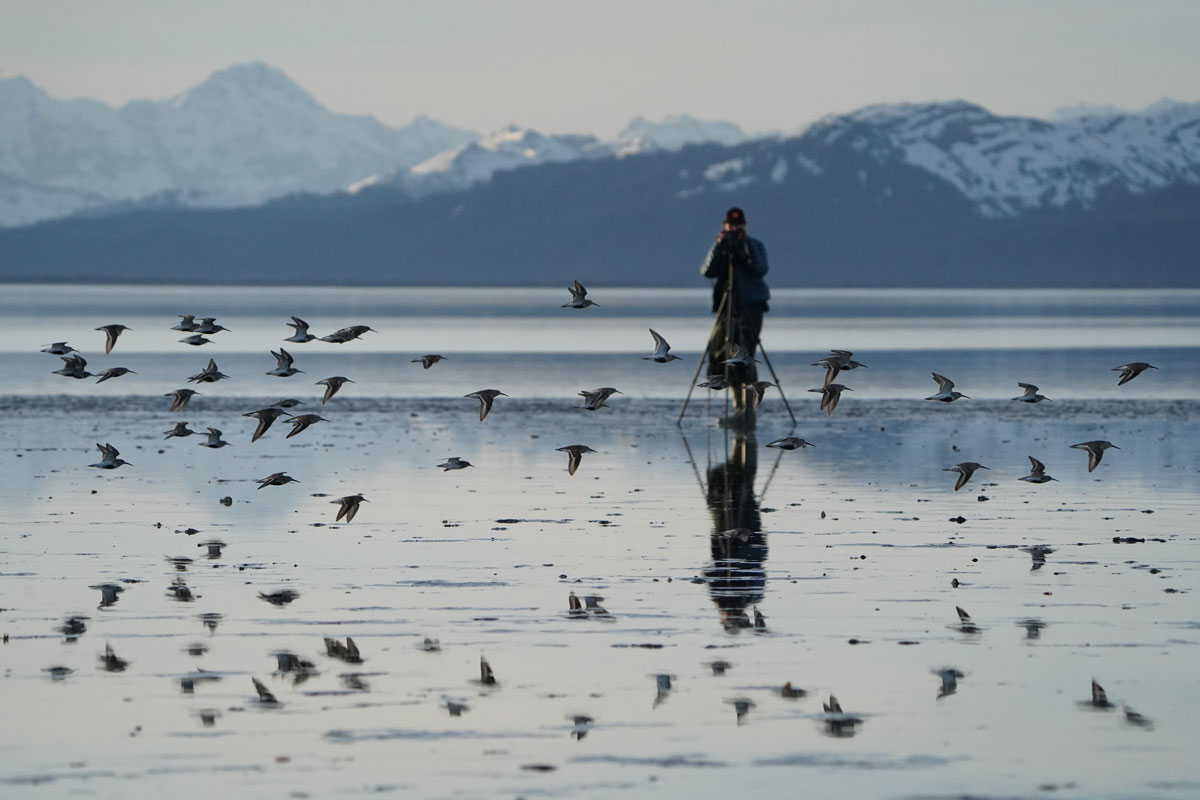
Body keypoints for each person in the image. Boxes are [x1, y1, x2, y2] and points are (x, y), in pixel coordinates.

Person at [701, 206, 770, 413]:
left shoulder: (755, 245)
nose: (735, 229)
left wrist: (745, 251)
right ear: (725, 226)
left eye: (738, 226)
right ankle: (737, 406)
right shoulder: (721, 246)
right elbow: (707, 271)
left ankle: (748, 408)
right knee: (726, 353)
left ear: (744, 226)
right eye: (731, 226)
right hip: (726, 307)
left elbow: (761, 269)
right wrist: (720, 245)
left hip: (751, 306)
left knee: (746, 353)